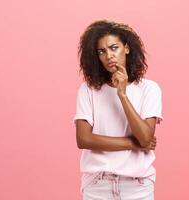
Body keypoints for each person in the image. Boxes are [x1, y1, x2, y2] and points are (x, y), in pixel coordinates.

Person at [73, 19, 163, 200]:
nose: (109, 56)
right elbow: (83, 139)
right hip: (98, 185)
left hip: (137, 186)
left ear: (127, 48)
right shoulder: (88, 89)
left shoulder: (149, 89)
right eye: (101, 51)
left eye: (114, 48)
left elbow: (145, 137)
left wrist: (122, 94)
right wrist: (133, 144)